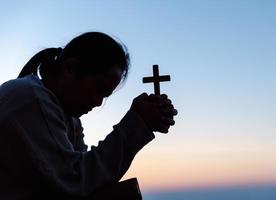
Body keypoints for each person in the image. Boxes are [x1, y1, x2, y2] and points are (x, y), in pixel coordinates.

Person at [0, 32, 177, 199]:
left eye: (105, 96)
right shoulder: (29, 99)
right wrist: (136, 124)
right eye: (98, 89)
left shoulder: (69, 117)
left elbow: (91, 183)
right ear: (70, 68)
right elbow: (75, 181)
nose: (99, 102)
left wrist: (141, 123)